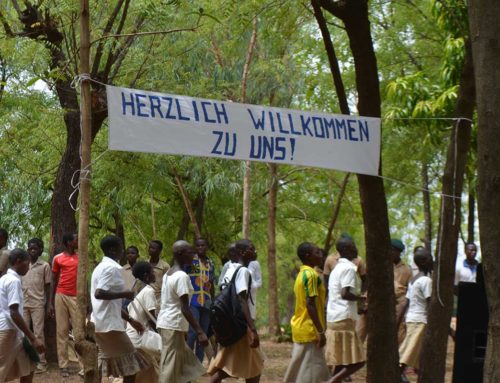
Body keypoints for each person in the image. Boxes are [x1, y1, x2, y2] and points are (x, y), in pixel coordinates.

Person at [91, 235, 148, 383]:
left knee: (101, 363)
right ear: (112, 250)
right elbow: (99, 293)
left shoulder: (100, 267)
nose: (122, 251)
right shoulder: (111, 268)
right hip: (109, 326)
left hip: (100, 322)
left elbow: (111, 303)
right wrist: (125, 293)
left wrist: (130, 319)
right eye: (120, 248)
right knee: (132, 365)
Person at [208, 239, 264, 383]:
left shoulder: (231, 269)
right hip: (241, 325)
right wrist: (252, 328)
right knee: (226, 369)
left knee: (253, 368)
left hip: (232, 323)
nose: (254, 252)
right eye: (251, 249)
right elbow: (242, 300)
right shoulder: (243, 271)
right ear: (241, 252)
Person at [157, 240, 207, 383]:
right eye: (190, 252)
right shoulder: (181, 276)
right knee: (170, 364)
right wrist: (199, 331)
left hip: (167, 323)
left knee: (181, 362)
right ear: (180, 254)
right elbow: (185, 308)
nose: (193, 255)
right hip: (173, 324)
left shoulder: (169, 273)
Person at [284, 242, 329, 383]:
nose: (320, 254)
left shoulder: (302, 274)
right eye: (317, 252)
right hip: (310, 330)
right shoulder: (311, 276)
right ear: (308, 256)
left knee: (301, 370)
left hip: (302, 328)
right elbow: (310, 304)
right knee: (312, 373)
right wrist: (320, 332)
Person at [0, 248, 45, 383]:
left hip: (15, 331)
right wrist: (33, 338)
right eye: (27, 264)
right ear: (18, 262)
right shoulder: (13, 281)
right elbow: (13, 312)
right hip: (7, 331)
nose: (28, 267)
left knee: (30, 362)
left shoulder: (4, 279)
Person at [324, 237, 365, 383]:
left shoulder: (336, 268)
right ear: (346, 250)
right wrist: (361, 298)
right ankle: (332, 381)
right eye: (353, 247)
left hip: (333, 317)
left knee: (340, 362)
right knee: (359, 361)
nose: (356, 249)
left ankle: (335, 379)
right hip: (343, 318)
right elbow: (345, 293)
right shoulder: (348, 268)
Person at [397, 249, 433, 383]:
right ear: (423, 262)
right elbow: (430, 305)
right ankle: (397, 376)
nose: (432, 261)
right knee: (406, 356)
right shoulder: (426, 281)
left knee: (418, 355)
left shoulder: (413, 280)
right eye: (430, 258)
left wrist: (398, 322)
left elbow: (406, 303)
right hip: (419, 321)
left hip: (411, 319)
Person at [47, 233, 80, 377]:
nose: (78, 241)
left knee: (79, 332)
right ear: (69, 243)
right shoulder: (57, 258)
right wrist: (50, 302)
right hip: (60, 295)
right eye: (76, 240)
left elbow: (84, 279)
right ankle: (63, 365)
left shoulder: (81, 257)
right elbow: (53, 280)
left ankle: (84, 365)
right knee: (62, 331)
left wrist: (87, 301)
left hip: (77, 297)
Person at [21, 238, 51, 373]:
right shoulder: (23, 265)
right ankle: (25, 361)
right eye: (30, 248)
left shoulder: (44, 266)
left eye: (35, 248)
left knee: (38, 333)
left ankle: (42, 362)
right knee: (23, 333)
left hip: (38, 304)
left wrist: (49, 304)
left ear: (40, 250)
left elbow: (48, 286)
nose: (32, 251)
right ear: (27, 250)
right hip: (23, 303)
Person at [127, 261, 159, 383]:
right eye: (152, 271)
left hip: (133, 338)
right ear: (146, 276)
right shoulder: (149, 291)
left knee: (145, 372)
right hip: (140, 339)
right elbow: (151, 319)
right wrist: (161, 334)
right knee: (151, 370)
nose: (155, 273)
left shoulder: (137, 292)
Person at [184, 237, 215, 362]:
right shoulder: (192, 262)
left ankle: (198, 363)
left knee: (204, 334)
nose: (201, 248)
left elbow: (211, 283)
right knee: (193, 332)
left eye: (203, 245)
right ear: (195, 247)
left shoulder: (210, 263)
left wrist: (213, 302)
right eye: (198, 246)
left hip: (207, 302)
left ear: (207, 247)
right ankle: (187, 361)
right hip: (193, 301)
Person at [392, 239, 412, 344]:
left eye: (394, 251)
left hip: (400, 303)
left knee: (399, 329)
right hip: (385, 303)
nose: (391, 253)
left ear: (399, 252)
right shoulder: (383, 266)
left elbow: (409, 290)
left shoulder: (407, 269)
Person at [148, 240, 170, 312]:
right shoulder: (144, 264)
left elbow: (168, 284)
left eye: (153, 248)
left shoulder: (165, 266)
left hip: (159, 299)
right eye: (150, 247)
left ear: (159, 250)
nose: (150, 249)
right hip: (146, 296)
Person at [248, 251, 262, 322]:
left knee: (251, 316)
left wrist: (253, 286)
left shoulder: (255, 264)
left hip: (251, 294)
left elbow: (259, 281)